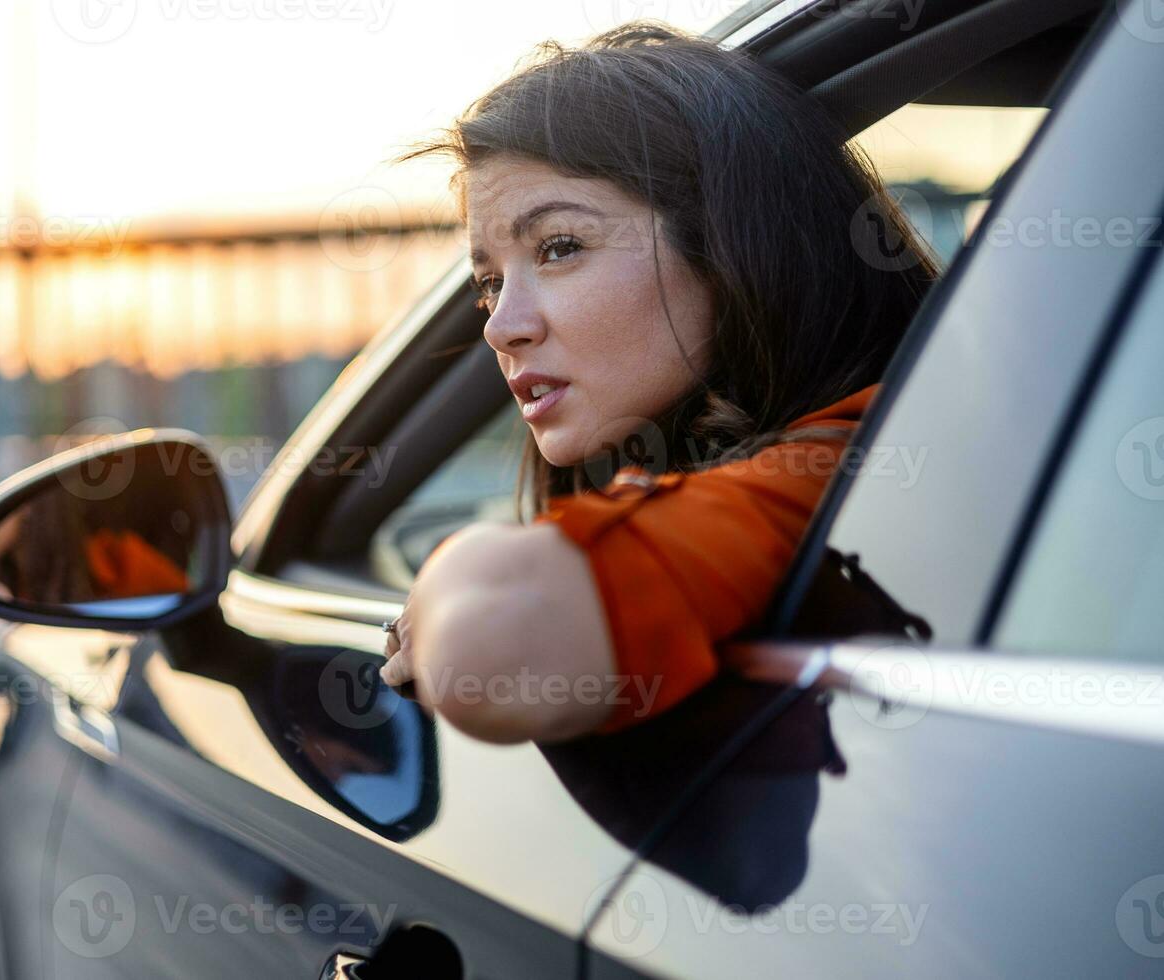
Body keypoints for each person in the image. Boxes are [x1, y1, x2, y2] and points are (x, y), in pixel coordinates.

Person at [377, 23, 939, 743]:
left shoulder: (846, 459)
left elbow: (493, 644)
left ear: (730, 249)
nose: (499, 326)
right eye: (489, 283)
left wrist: (454, 589)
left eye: (558, 247)